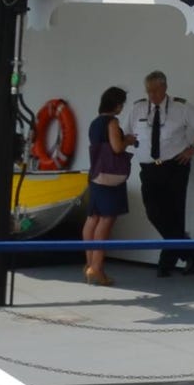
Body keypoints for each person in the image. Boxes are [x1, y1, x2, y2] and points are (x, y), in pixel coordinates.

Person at [121, 71, 194, 276]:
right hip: (149, 168)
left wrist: (193, 147)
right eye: (148, 91)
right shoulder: (138, 108)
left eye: (155, 90)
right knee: (154, 212)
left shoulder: (180, 108)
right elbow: (126, 133)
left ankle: (167, 262)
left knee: (175, 213)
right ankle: (191, 250)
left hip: (174, 166)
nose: (152, 95)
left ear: (164, 88)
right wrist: (130, 143)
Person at [81, 86, 134, 286]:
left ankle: (89, 264)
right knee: (106, 219)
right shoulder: (112, 122)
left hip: (95, 174)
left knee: (92, 218)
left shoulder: (94, 124)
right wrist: (127, 139)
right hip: (110, 178)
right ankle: (97, 267)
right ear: (117, 104)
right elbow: (117, 147)